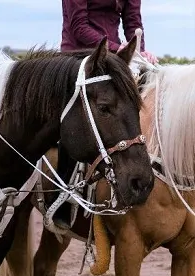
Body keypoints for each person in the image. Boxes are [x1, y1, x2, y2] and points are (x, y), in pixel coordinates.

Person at [53, 0, 157, 229]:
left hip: (113, 56)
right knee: (74, 114)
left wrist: (139, 51)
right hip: (79, 55)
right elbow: (78, 26)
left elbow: (133, 22)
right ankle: (61, 194)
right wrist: (114, 48)